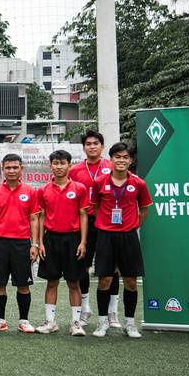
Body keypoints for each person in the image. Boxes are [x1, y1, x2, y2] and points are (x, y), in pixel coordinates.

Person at [91, 142, 152, 339]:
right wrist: (105, 223)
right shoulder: (100, 181)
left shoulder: (138, 184)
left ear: (131, 161)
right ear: (111, 159)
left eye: (125, 157)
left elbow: (144, 209)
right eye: (117, 156)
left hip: (128, 236)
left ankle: (130, 324)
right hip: (106, 236)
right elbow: (96, 207)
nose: (121, 160)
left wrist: (133, 225)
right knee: (105, 280)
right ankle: (102, 323)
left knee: (131, 281)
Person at [0, 154, 39, 334]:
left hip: (22, 244)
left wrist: (34, 244)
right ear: (3, 170)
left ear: (21, 169)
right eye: (8, 168)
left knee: (23, 284)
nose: (12, 171)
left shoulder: (30, 191)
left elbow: (34, 219)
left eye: (15, 167)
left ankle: (24, 321)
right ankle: (0, 320)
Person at [35, 150, 89, 336]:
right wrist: (39, 242)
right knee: (52, 282)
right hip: (51, 240)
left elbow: (83, 216)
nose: (59, 167)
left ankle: (76, 323)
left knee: (74, 283)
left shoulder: (80, 189)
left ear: (69, 165)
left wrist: (83, 242)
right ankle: (50, 322)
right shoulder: (42, 190)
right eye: (55, 163)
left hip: (73, 239)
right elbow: (41, 217)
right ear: (50, 166)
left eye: (62, 163)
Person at [68, 129, 118, 325]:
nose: (92, 147)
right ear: (84, 148)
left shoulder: (113, 166)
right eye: (88, 144)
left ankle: (112, 312)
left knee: (111, 267)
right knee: (83, 264)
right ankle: (85, 309)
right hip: (84, 222)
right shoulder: (74, 171)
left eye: (96, 143)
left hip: (107, 223)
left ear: (102, 146)